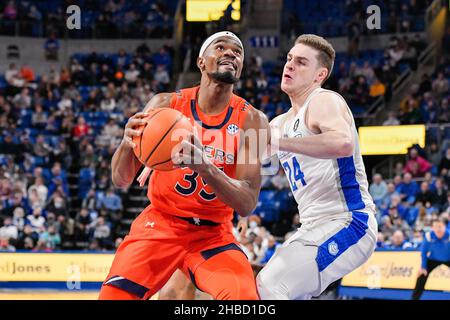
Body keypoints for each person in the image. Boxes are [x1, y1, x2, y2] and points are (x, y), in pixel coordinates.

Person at [99, 31, 270, 300]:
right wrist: (125, 143)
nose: (230, 53)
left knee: (243, 299)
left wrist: (204, 166)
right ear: (201, 62)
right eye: (221, 47)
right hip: (161, 223)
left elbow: (247, 203)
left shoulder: (253, 121)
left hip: (213, 234)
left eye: (237, 52)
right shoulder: (165, 104)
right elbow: (121, 180)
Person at [256, 34, 378, 300]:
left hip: (349, 220)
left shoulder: (324, 101)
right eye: (289, 59)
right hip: (312, 226)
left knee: (270, 287)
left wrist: (280, 143)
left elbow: (342, 142)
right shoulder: (278, 123)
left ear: (319, 75)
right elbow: (243, 160)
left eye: (300, 62)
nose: (289, 66)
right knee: (271, 290)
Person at [411, 218, 450, 300]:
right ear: (432, 228)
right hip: (433, 259)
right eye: (436, 227)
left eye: (440, 226)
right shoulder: (429, 236)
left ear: (445, 227)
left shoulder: (449, 235)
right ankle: (414, 298)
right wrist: (423, 267)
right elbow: (424, 252)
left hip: (448, 258)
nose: (438, 229)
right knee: (422, 274)